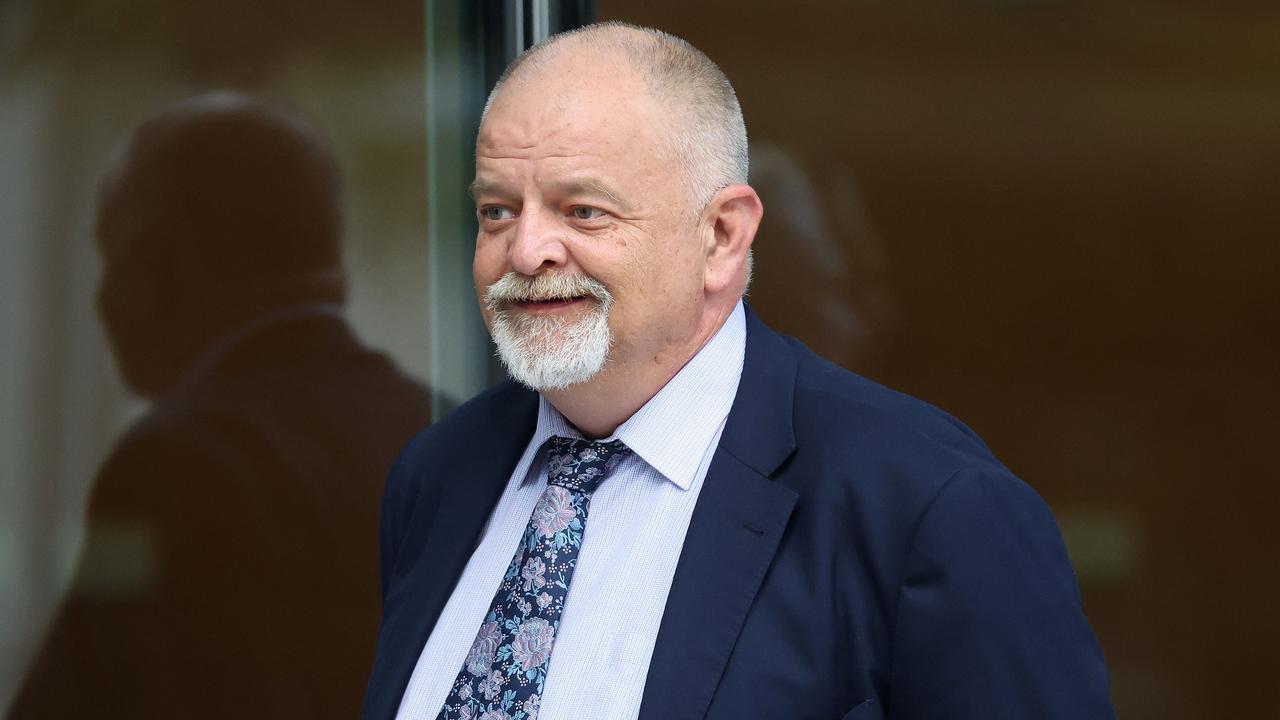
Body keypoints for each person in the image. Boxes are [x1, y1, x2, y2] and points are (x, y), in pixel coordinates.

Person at [364, 22, 1114, 720]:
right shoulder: (441, 475)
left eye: (583, 211)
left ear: (722, 237)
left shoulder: (926, 510)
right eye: (497, 211)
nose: (525, 252)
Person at [12, 92, 432, 718]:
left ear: (157, 266)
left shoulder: (173, 469)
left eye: (109, 254)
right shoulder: (438, 430)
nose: (101, 297)